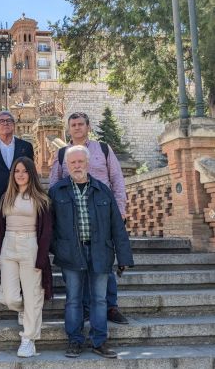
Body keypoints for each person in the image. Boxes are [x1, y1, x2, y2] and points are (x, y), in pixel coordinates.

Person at [48, 145, 133, 359]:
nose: (77, 166)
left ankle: (99, 341)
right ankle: (75, 341)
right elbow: (48, 227)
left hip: (100, 252)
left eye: (80, 162)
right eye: (72, 163)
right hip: (71, 254)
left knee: (100, 299)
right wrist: (57, 249)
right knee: (74, 299)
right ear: (67, 166)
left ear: (87, 164)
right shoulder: (57, 191)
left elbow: (117, 226)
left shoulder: (102, 190)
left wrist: (123, 257)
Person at [49, 111, 128, 324]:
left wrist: (120, 210)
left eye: (80, 124)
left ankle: (110, 307)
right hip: (75, 217)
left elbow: (117, 180)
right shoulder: (62, 154)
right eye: (73, 124)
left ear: (88, 126)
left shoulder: (103, 150)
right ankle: (84, 309)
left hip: (103, 214)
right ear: (68, 128)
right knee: (78, 264)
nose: (77, 128)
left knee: (104, 263)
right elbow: (54, 184)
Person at [0, 157, 53, 358]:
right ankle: (25, 311)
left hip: (30, 245)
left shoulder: (40, 198)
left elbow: (46, 232)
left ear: (31, 173)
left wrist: (42, 257)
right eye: (17, 171)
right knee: (9, 297)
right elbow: (0, 228)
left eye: (24, 171)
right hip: (8, 246)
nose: (20, 174)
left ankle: (28, 340)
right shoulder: (6, 197)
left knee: (33, 293)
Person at [0, 111, 34, 232]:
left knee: (22, 237)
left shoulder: (26, 147)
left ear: (14, 125)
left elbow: (32, 174)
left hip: (22, 200)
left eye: (9, 120)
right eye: (1, 121)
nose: (5, 123)